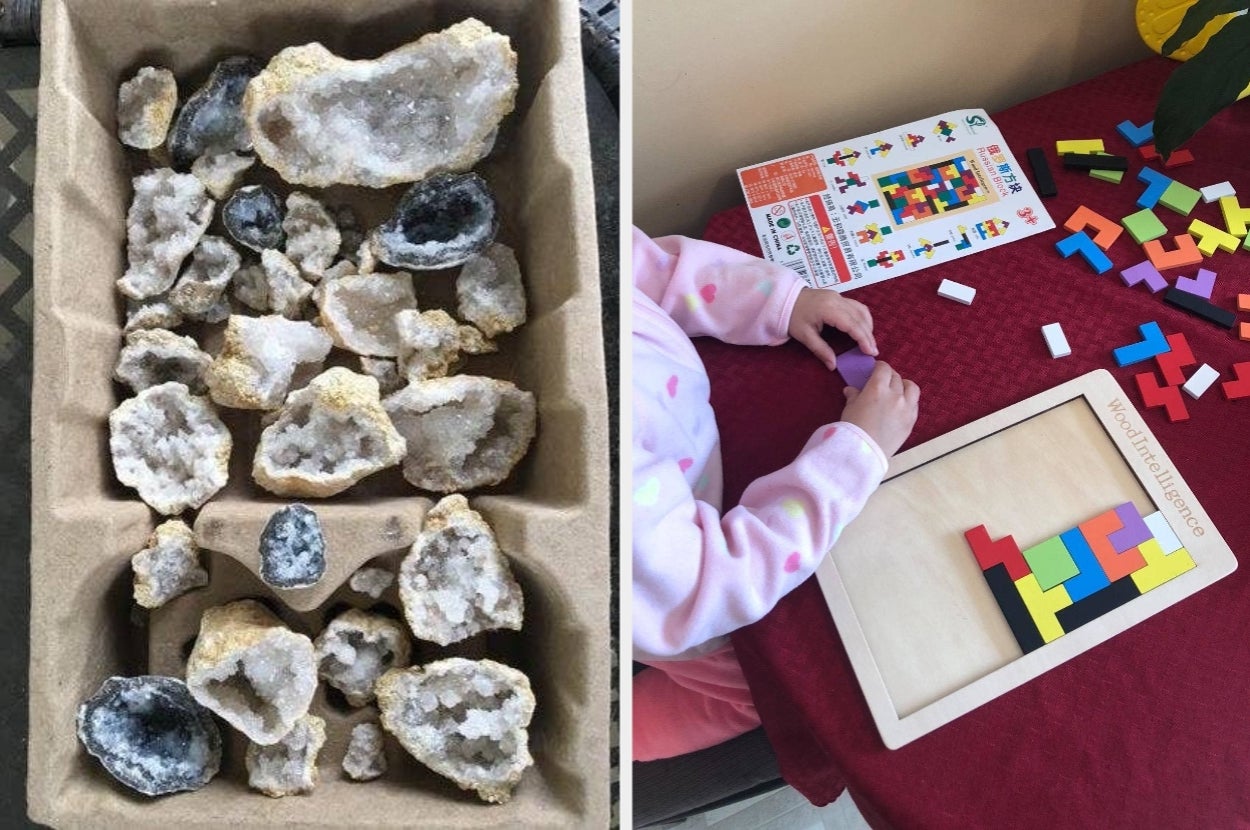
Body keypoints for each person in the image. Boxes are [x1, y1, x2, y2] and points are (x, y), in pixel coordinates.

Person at [632, 227, 920, 761]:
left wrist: (780, 301)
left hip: (686, 468)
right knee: (753, 690)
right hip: (670, 602)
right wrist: (856, 456)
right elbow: (709, 583)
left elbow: (650, 268)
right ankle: (627, 737)